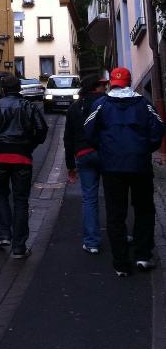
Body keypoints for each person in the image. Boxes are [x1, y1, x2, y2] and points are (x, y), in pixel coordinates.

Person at [84, 66, 165, 277]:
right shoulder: (143, 103)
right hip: (139, 164)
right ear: (129, 83)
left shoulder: (101, 104)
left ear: (111, 83)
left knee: (115, 214)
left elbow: (88, 129)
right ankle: (143, 256)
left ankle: (120, 263)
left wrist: (103, 148)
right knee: (144, 209)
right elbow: (158, 127)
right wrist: (146, 147)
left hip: (112, 166)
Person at [0, 74, 48, 258]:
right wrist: (30, 145)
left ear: (3, 89)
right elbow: (42, 129)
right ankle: (19, 247)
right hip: (22, 157)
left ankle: (4, 234)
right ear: (19, 88)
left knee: (1, 194)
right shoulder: (28, 106)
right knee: (21, 200)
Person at [64, 75, 108, 254]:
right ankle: (118, 235)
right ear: (95, 87)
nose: (105, 88)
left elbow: (68, 139)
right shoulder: (107, 103)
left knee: (89, 198)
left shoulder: (74, 107)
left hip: (83, 154)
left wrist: (70, 166)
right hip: (105, 153)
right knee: (113, 195)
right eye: (103, 86)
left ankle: (91, 242)